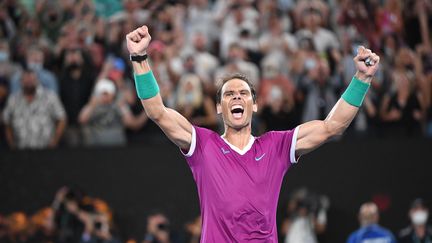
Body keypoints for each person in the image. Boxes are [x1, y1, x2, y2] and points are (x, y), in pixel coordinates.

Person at [126, 25, 380, 242]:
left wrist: (361, 79)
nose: (237, 96)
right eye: (229, 94)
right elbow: (157, 112)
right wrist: (139, 58)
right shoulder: (203, 144)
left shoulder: (276, 146)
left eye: (243, 93)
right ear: (219, 107)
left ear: (254, 105)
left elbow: (332, 126)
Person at [3, 68, 66, 149]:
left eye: (32, 80)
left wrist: (54, 142)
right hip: (20, 151)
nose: (29, 83)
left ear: (37, 81)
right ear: (21, 82)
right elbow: (6, 121)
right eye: (26, 80)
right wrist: (11, 144)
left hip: (45, 149)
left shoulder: (50, 97)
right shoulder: (13, 100)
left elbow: (62, 118)